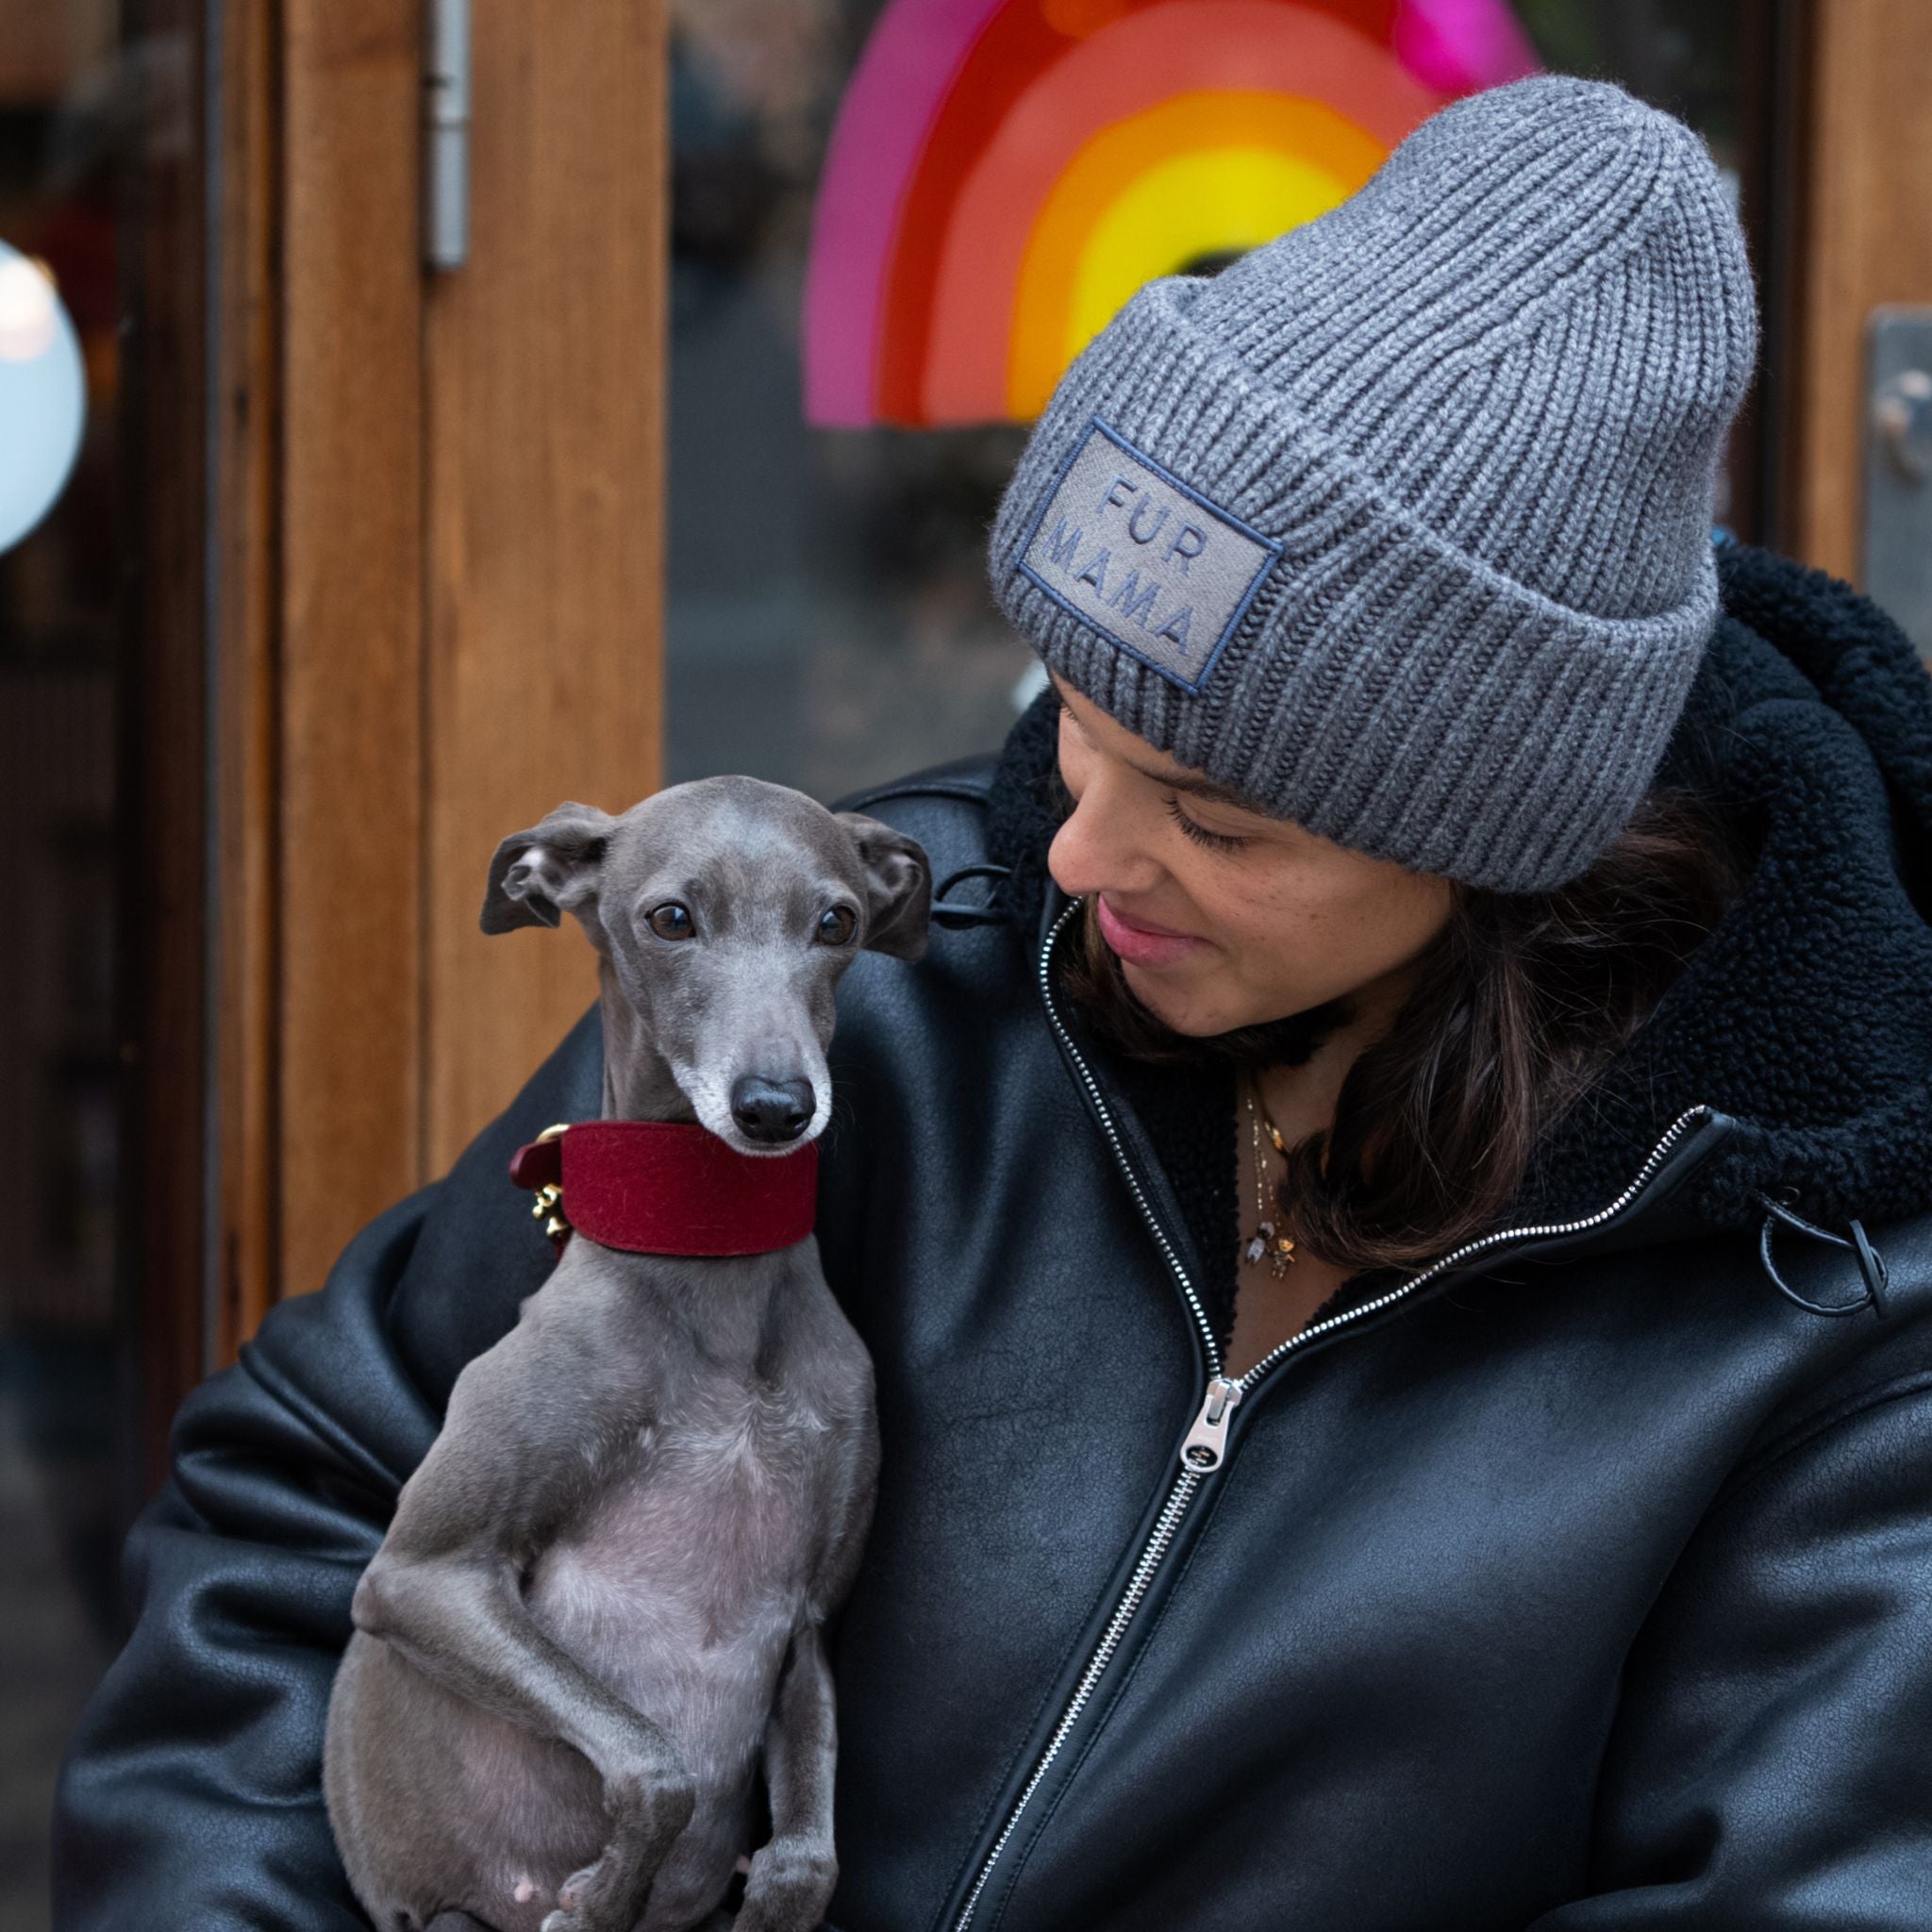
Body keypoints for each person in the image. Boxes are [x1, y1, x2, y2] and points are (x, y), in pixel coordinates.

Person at [54, 75, 1932, 1932]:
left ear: (1493, 832)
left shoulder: (1825, 1311)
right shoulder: (878, 992)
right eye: (1077, 726)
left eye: (1211, 814)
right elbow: (312, 1511)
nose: (1070, 855)